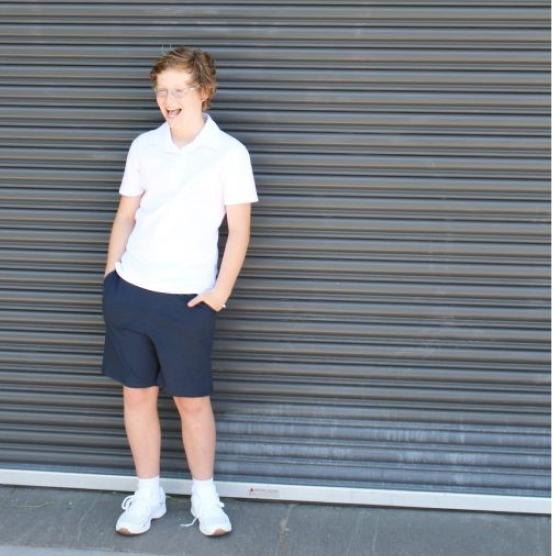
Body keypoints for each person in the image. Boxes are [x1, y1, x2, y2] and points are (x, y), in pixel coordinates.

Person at [101, 46, 258, 538]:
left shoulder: (229, 153)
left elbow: (239, 231)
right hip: (132, 292)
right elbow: (126, 214)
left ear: (204, 92)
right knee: (136, 398)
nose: (168, 101)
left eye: (178, 91)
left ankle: (205, 498)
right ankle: (147, 495)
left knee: (192, 402)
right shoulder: (145, 146)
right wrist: (111, 279)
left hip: (188, 301)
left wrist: (219, 292)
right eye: (161, 91)